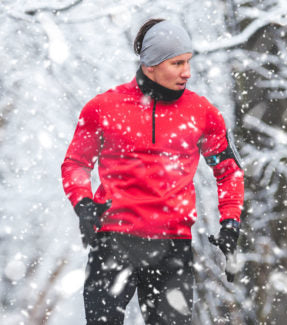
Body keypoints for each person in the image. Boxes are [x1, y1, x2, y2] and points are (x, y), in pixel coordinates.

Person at [61, 18, 244, 325]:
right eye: (177, 63)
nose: (187, 72)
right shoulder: (104, 108)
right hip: (113, 243)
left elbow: (229, 171)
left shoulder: (203, 113)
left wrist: (230, 221)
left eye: (188, 62)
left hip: (172, 248)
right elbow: (76, 164)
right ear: (150, 66)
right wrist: (82, 203)